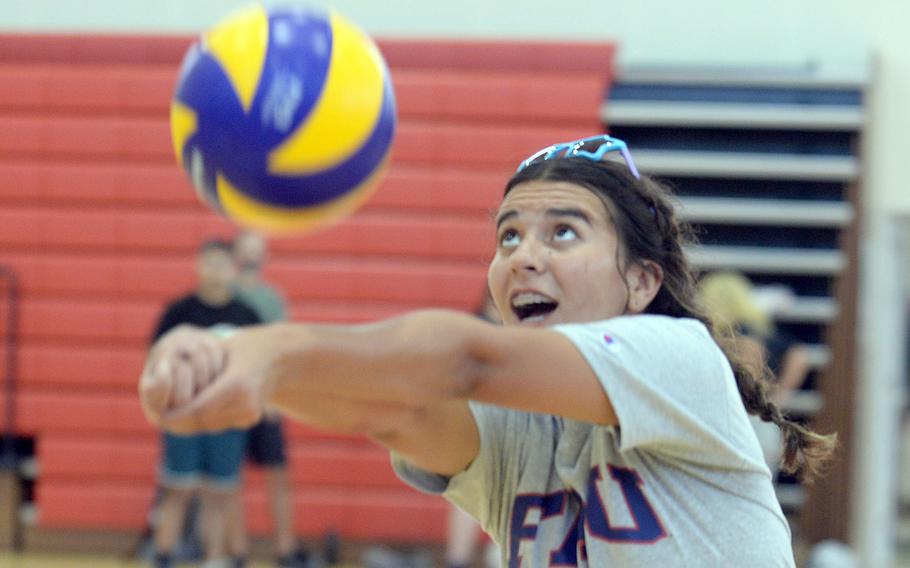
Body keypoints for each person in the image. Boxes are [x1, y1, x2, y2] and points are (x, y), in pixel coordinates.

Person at [140, 135, 836, 566]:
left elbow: (468, 360)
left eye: (563, 232)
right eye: (508, 236)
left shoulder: (676, 356)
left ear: (641, 280)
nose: (522, 257)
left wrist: (268, 350)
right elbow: (396, 410)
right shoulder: (524, 425)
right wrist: (229, 366)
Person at [148, 239, 261, 568]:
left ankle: (214, 558)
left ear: (234, 269)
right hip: (183, 414)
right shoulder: (179, 312)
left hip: (227, 416)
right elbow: (154, 359)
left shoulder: (246, 315)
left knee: (220, 493)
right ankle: (163, 555)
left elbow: (259, 368)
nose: (215, 270)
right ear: (197, 266)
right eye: (208, 262)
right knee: (178, 489)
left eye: (222, 263)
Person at [229, 231, 308, 568]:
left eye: (258, 252)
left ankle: (285, 548)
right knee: (229, 478)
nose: (252, 258)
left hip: (267, 400)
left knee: (277, 473)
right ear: (235, 255)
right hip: (231, 399)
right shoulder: (225, 296)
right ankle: (236, 550)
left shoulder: (272, 299)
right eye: (246, 252)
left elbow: (280, 351)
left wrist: (275, 399)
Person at [699, 271, 813, 477]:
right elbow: (799, 355)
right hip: (762, 421)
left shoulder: (732, 336)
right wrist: (779, 396)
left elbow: (752, 364)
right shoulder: (761, 329)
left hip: (740, 422)